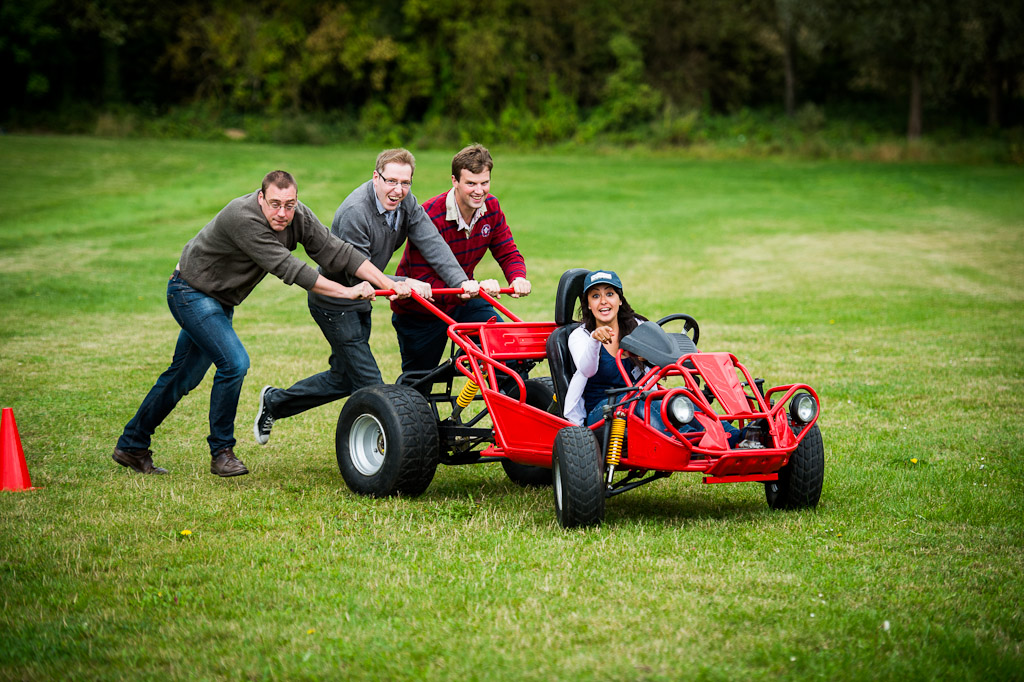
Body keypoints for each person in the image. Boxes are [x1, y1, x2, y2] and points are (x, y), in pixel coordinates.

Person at [113, 170, 409, 477]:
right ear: (260, 198)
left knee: (183, 377)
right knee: (234, 363)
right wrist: (348, 292)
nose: (283, 213)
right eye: (275, 204)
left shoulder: (297, 215)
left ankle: (132, 445)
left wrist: (386, 282)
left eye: (290, 204)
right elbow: (291, 269)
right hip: (190, 292)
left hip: (219, 299)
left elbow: (337, 251)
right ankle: (221, 452)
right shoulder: (242, 219)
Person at [253, 148, 480, 444]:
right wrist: (407, 282)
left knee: (343, 377)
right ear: (376, 177)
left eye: (406, 183)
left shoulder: (406, 203)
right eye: (391, 181)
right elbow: (356, 272)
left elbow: (432, 243)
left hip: (362, 300)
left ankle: (274, 402)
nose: (398, 190)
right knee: (371, 384)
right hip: (335, 302)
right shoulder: (355, 213)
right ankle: (389, 452)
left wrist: (461, 283)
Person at [563, 270, 750, 447]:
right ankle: (688, 441)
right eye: (595, 296)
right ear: (588, 304)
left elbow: (665, 359)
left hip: (639, 399)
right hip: (602, 411)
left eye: (610, 294)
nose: (603, 301)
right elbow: (587, 370)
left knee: (680, 396)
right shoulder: (581, 336)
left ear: (620, 300)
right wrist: (595, 340)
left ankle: (738, 437)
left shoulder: (637, 326)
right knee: (638, 399)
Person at [390, 144, 531, 373]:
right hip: (421, 308)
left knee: (506, 352)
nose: (479, 191)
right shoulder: (429, 215)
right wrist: (462, 291)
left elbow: (508, 251)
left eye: (484, 183)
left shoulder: (491, 208)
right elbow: (420, 277)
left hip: (463, 297)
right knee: (420, 379)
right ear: (454, 181)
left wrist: (517, 277)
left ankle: (511, 397)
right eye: (471, 184)